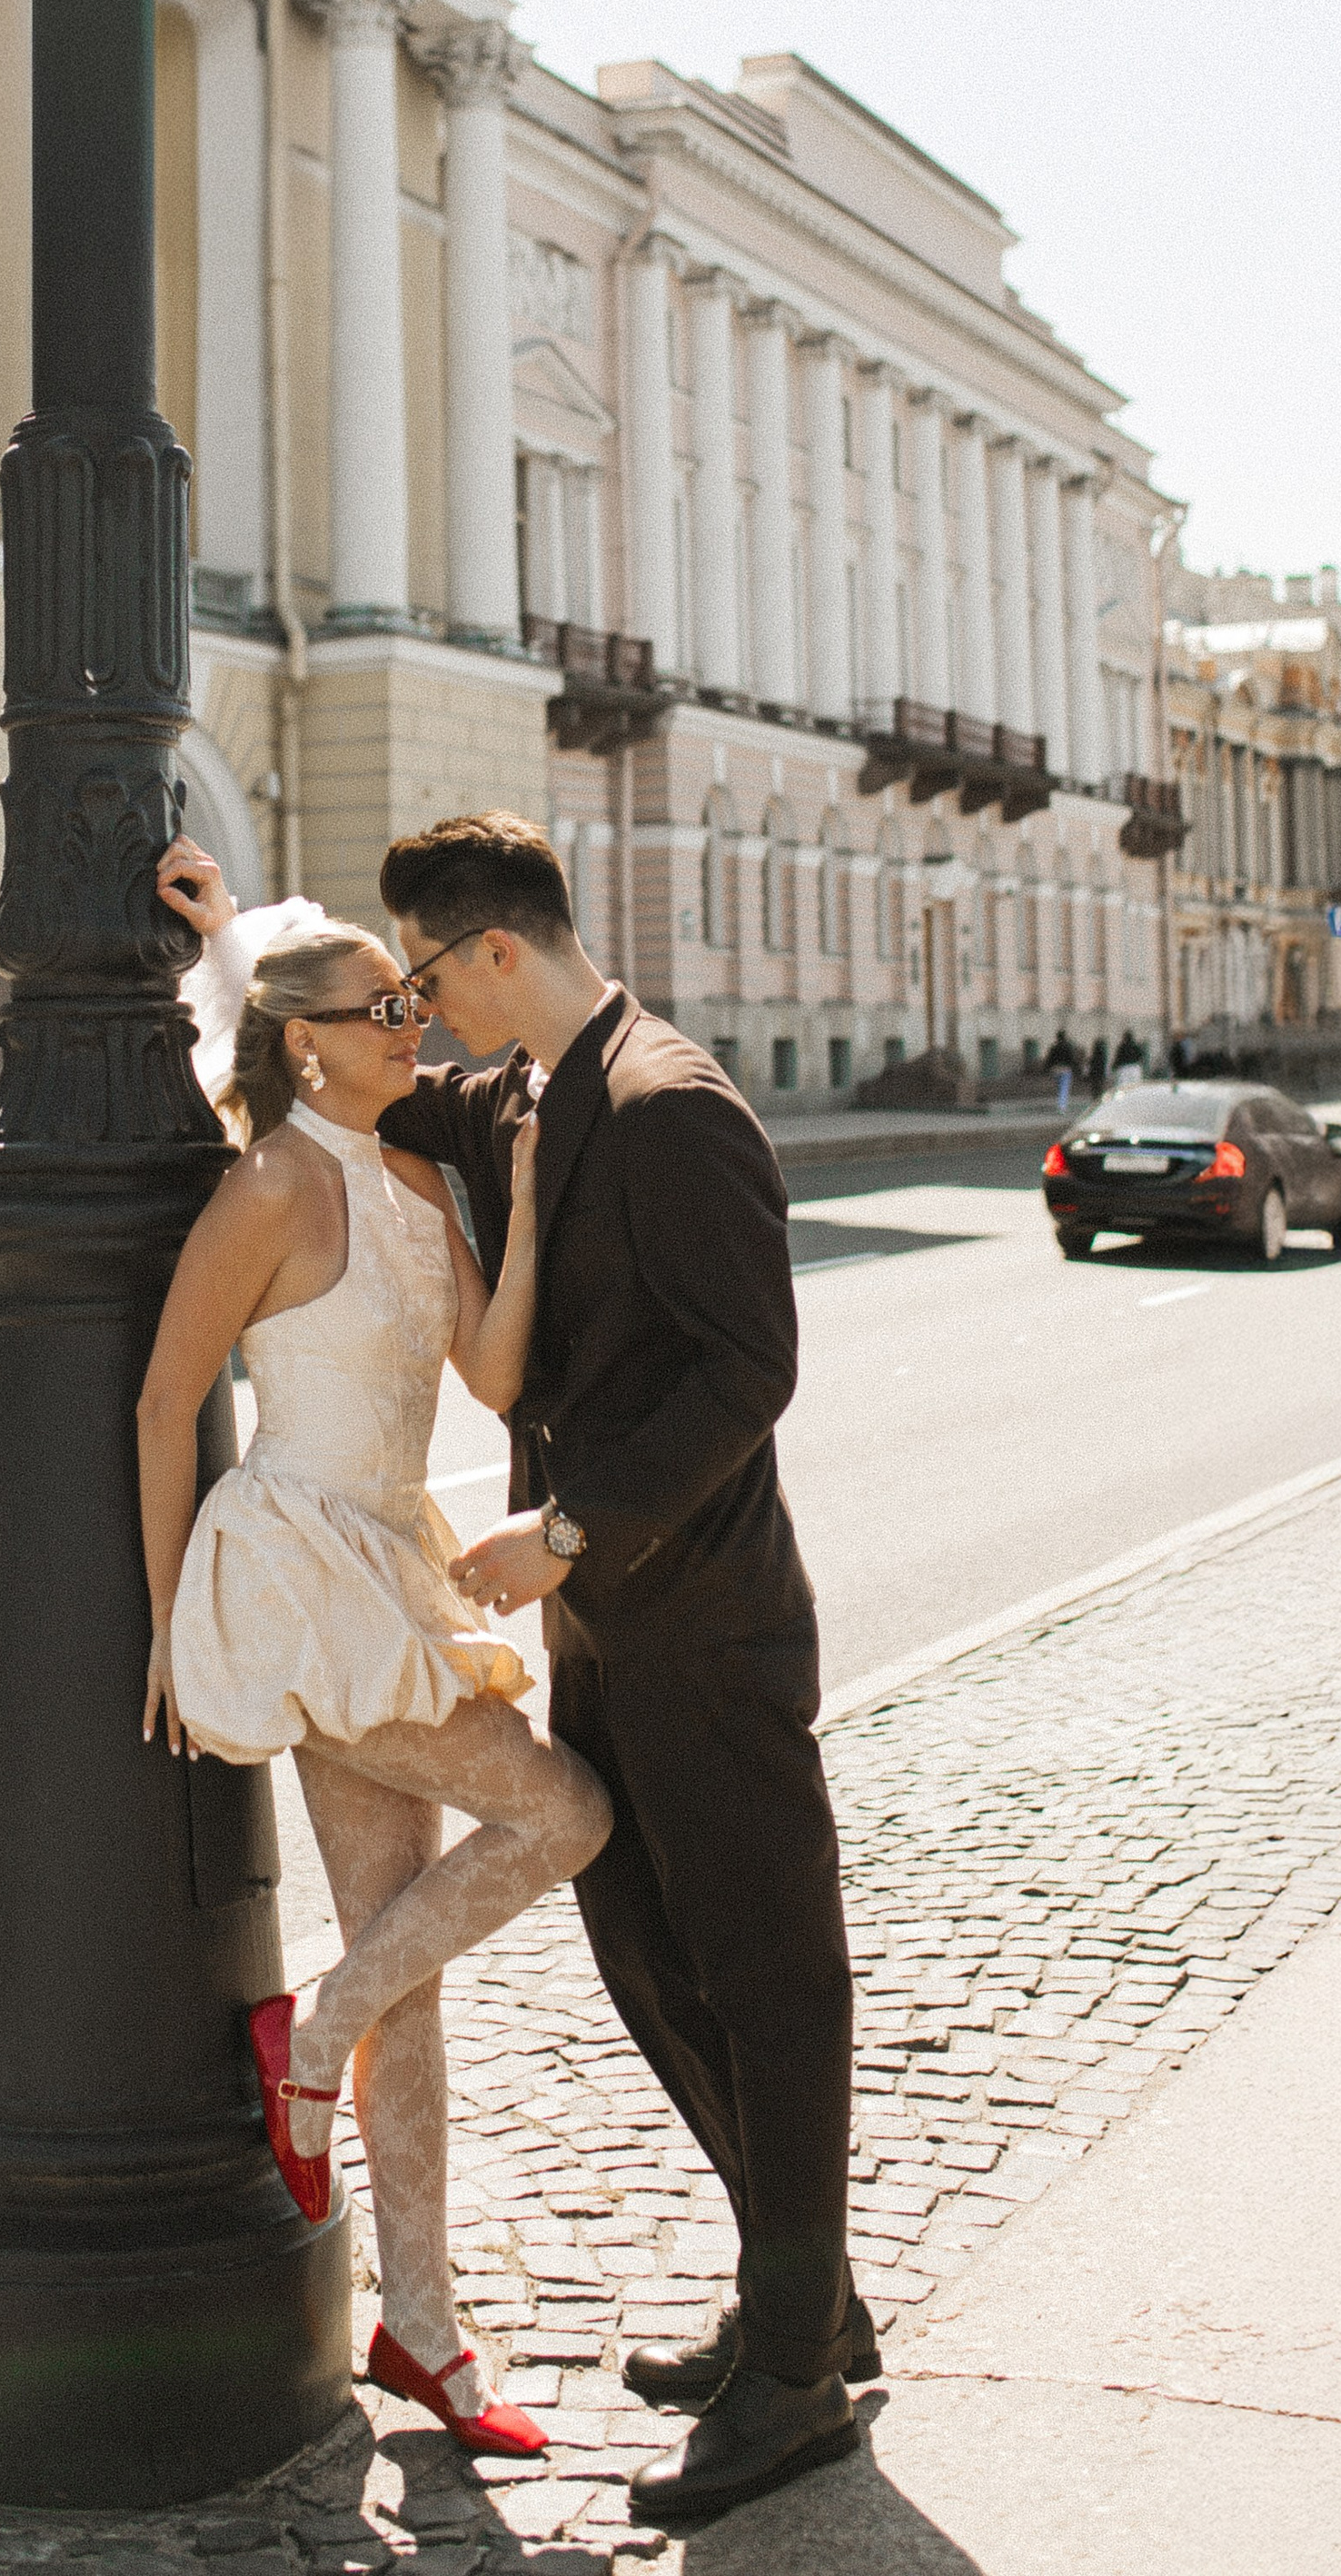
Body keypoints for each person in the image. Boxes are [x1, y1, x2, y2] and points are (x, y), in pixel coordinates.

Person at [372, 812, 865, 2531]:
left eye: (427, 974)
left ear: (496, 949)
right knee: (649, 1943)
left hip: (705, 1620)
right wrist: (216, 943)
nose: (420, 1013)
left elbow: (749, 1371)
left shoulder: (669, 1105)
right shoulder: (521, 1093)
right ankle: (807, 2290)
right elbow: (357, 1078)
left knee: (769, 1969)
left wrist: (569, 1533)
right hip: (608, 1630)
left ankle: (798, 2376)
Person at [134, 858, 612, 2461]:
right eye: (387, 1008)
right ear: (315, 1041)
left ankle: (419, 2332)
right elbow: (162, 1402)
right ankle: (313, 2033)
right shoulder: (269, 1182)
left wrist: (527, 1201)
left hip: (389, 1566)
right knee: (566, 1817)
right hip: (298, 1569)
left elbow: (490, 1372)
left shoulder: (416, 1181)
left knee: (407, 1964)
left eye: (415, 999)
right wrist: (164, 1619)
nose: (417, 1021)